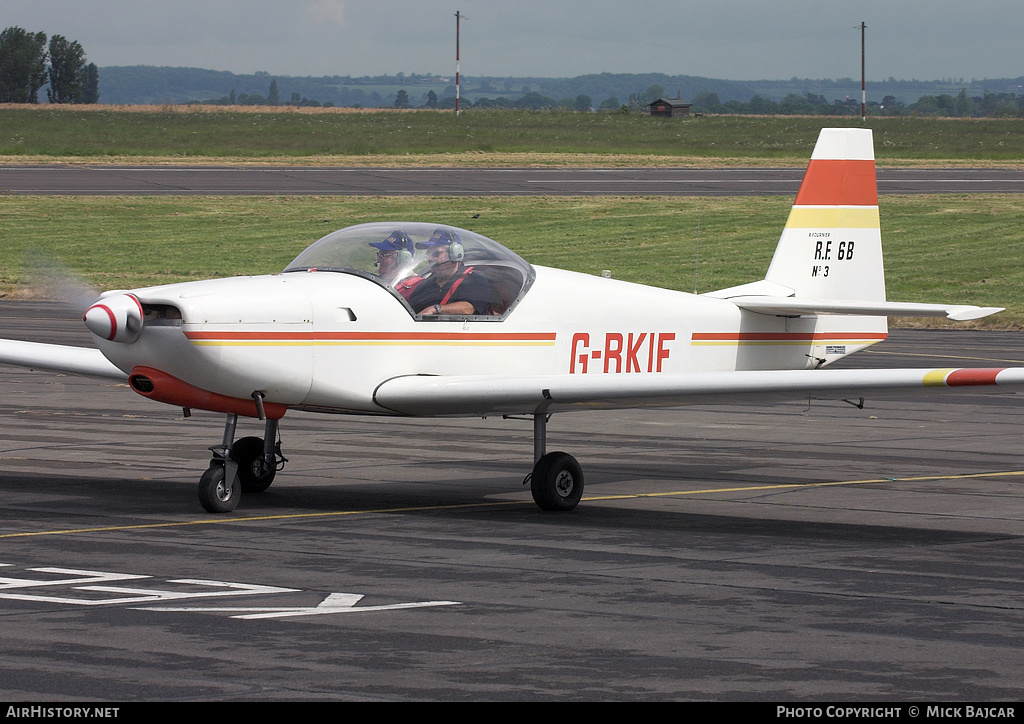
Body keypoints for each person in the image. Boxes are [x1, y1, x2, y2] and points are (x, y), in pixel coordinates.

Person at [407, 229, 492, 316]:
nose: (430, 258)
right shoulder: (424, 286)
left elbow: (468, 308)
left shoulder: (474, 279)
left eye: (436, 254)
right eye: (429, 253)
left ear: (454, 255)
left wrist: (435, 309)